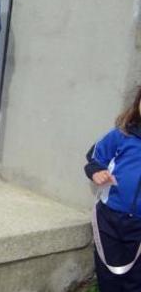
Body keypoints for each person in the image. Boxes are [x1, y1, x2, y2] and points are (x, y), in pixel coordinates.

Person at [84, 86, 141, 291]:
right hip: (110, 219)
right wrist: (96, 172)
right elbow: (94, 158)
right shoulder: (122, 135)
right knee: (108, 278)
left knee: (136, 282)